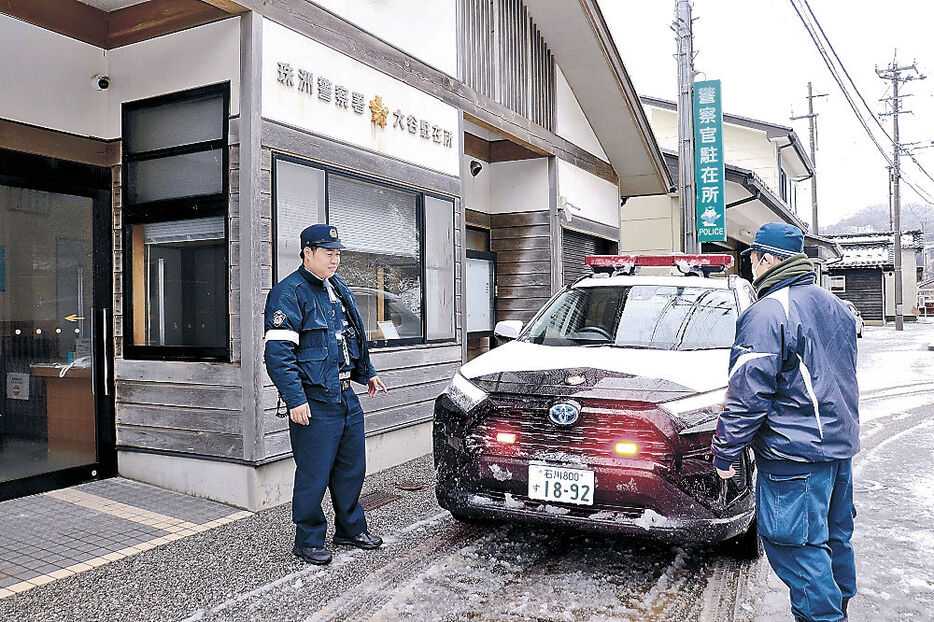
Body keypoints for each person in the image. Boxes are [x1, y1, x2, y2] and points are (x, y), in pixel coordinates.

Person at [712, 222, 860, 622]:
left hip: (794, 457)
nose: (752, 266)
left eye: (754, 257)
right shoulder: (836, 308)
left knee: (796, 548)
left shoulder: (768, 312)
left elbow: (748, 392)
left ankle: (823, 618)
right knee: (832, 539)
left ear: (770, 258)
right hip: (836, 449)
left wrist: (725, 451)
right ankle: (837, 609)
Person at [264, 224, 389, 565]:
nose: (335, 259)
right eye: (328, 252)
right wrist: (295, 399)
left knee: (351, 469)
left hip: (346, 394)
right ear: (307, 252)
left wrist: (369, 373)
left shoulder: (338, 286)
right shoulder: (288, 293)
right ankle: (307, 539)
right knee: (313, 473)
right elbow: (278, 356)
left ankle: (349, 529)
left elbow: (352, 338)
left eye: (338, 252)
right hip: (315, 400)